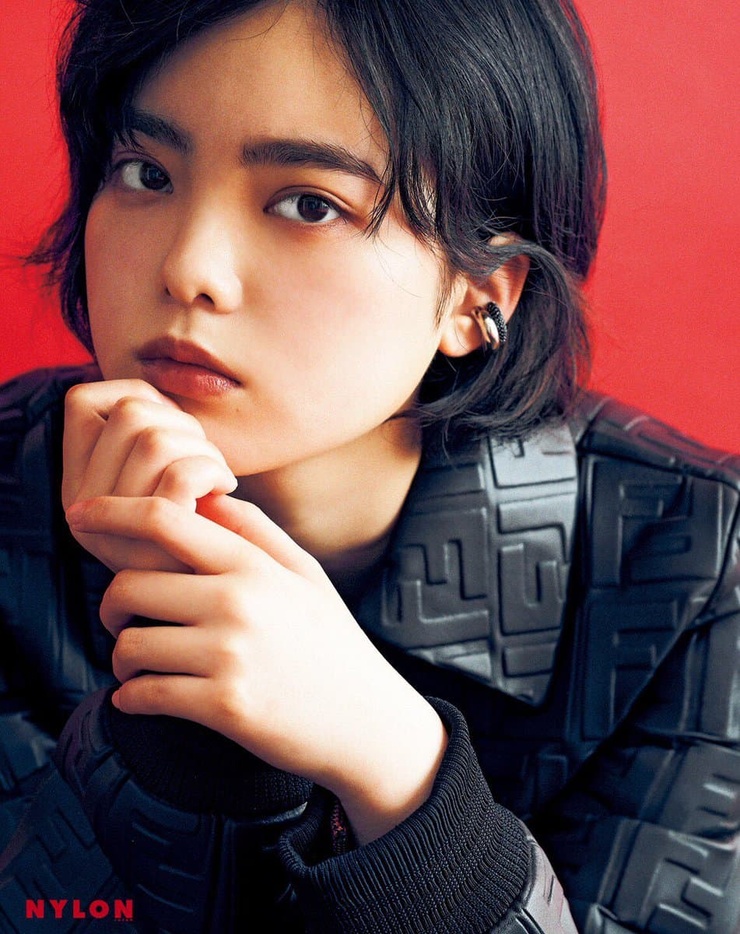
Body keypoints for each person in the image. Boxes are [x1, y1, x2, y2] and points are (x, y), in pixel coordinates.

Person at [0, 0, 738, 931]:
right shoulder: (11, 491)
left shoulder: (697, 566)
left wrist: (397, 768)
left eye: (309, 204)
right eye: (146, 173)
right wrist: (177, 730)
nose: (189, 268)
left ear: (477, 296)